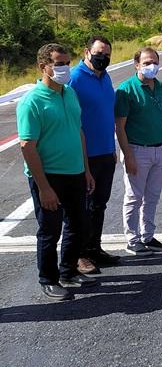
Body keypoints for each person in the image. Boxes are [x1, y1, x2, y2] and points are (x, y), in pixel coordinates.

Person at [17, 43, 96, 301]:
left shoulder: (69, 94)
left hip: (75, 173)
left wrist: (86, 170)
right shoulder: (32, 102)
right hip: (49, 176)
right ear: (44, 67)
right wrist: (44, 187)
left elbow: (79, 133)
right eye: (59, 64)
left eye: (66, 62)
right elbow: (27, 146)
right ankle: (48, 279)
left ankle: (68, 271)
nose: (65, 68)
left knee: (77, 224)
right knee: (50, 231)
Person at [115, 47, 162, 255]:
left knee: (152, 196)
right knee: (134, 197)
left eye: (155, 62)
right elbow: (120, 127)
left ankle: (147, 235)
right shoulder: (126, 89)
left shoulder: (158, 86)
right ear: (137, 64)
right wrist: (128, 155)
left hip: (158, 149)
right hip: (137, 150)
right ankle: (132, 239)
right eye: (147, 62)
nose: (152, 66)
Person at [68, 35, 119, 273]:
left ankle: (93, 248)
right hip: (85, 156)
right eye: (99, 53)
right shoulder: (75, 79)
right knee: (83, 208)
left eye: (107, 54)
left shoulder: (105, 76)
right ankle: (78, 255)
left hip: (106, 152)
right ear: (86, 52)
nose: (103, 58)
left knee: (99, 205)